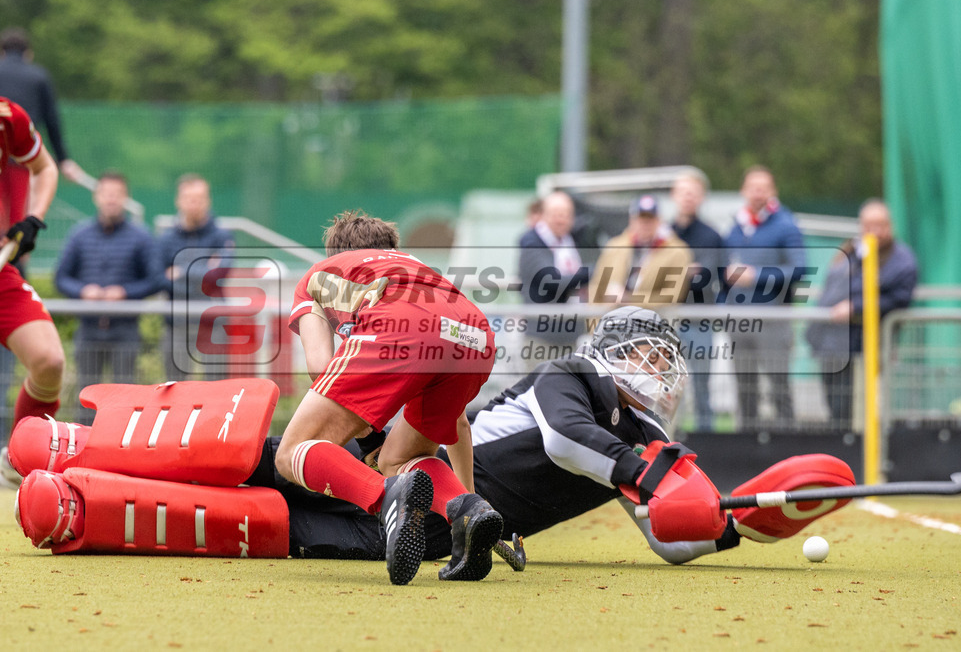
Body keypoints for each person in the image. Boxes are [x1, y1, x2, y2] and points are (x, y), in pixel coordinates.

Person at [11, 307, 856, 566]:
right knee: (257, 463)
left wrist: (724, 523)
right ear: (611, 351)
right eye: (645, 350)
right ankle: (82, 447)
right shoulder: (576, 383)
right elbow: (566, 444)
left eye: (664, 357)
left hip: (447, 525)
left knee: (274, 530)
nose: (658, 367)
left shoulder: (632, 438)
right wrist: (648, 469)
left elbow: (661, 534)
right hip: (408, 467)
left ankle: (91, 511)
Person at [273, 210, 502, 585]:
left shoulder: (322, 272)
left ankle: (383, 499)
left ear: (335, 251)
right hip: (474, 334)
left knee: (293, 450)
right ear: (393, 249)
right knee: (401, 459)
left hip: (401, 327)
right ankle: (466, 512)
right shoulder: (417, 270)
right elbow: (458, 422)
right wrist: (469, 505)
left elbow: (320, 368)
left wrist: (364, 430)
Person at [54, 172, 162, 424]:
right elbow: (61, 277)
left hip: (125, 330)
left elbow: (155, 280)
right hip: (88, 329)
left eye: (117, 195)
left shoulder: (141, 237)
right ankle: (82, 453)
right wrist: (82, 291)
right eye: (107, 194)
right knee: (86, 397)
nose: (111, 200)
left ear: (125, 198)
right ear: (97, 197)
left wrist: (125, 292)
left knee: (125, 399)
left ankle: (119, 457)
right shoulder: (79, 235)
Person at [806, 200, 918, 430]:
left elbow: (899, 299)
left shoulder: (902, 260)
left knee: (867, 408)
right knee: (837, 405)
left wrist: (856, 307)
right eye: (869, 225)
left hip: (869, 346)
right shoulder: (850, 251)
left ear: (890, 226)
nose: (874, 231)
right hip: (832, 343)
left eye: (880, 224)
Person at [0, 96, 64, 486]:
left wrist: (33, 218)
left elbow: (44, 167)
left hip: (1, 273)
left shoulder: (9, 117)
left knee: (49, 360)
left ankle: (17, 456)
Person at [722, 165, 807, 430]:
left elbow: (799, 268)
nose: (758, 193)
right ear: (744, 191)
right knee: (744, 387)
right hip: (739, 321)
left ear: (773, 191)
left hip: (773, 319)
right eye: (753, 187)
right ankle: (746, 444)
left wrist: (756, 275)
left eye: (764, 188)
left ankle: (787, 444)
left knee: (778, 385)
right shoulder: (736, 227)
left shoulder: (786, 225)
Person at [156, 173, 234, 381]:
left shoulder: (222, 236)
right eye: (189, 198)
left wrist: (180, 273)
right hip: (177, 324)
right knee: (174, 390)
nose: (194, 204)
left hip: (212, 324)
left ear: (207, 201)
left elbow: (219, 274)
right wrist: (203, 271)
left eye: (199, 199)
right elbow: (158, 279)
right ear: (178, 200)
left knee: (217, 391)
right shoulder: (166, 240)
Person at [0, 27, 92, 194]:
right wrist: (63, 159)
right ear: (28, 54)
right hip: (22, 159)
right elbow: (52, 121)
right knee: (18, 214)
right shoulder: (39, 77)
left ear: (3, 52)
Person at [671, 168, 727, 432]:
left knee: (702, 385)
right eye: (683, 193)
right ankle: (669, 441)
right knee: (668, 385)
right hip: (669, 322)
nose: (688, 198)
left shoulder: (711, 236)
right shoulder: (664, 234)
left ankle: (706, 439)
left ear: (702, 197)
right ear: (674, 195)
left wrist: (678, 272)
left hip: (700, 321)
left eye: (693, 193)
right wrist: (686, 270)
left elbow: (706, 276)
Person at [517, 191, 590, 363]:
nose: (561, 220)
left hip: (571, 337)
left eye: (565, 215)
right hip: (542, 339)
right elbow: (552, 282)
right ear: (544, 215)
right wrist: (590, 273)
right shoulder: (532, 242)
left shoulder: (572, 242)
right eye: (556, 214)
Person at [588, 194, 692, 308]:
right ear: (632, 220)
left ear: (659, 221)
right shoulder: (615, 247)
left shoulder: (676, 252)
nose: (645, 224)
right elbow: (596, 288)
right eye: (641, 219)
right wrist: (596, 323)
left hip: (653, 322)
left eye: (650, 219)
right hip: (613, 321)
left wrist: (629, 299)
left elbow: (673, 295)